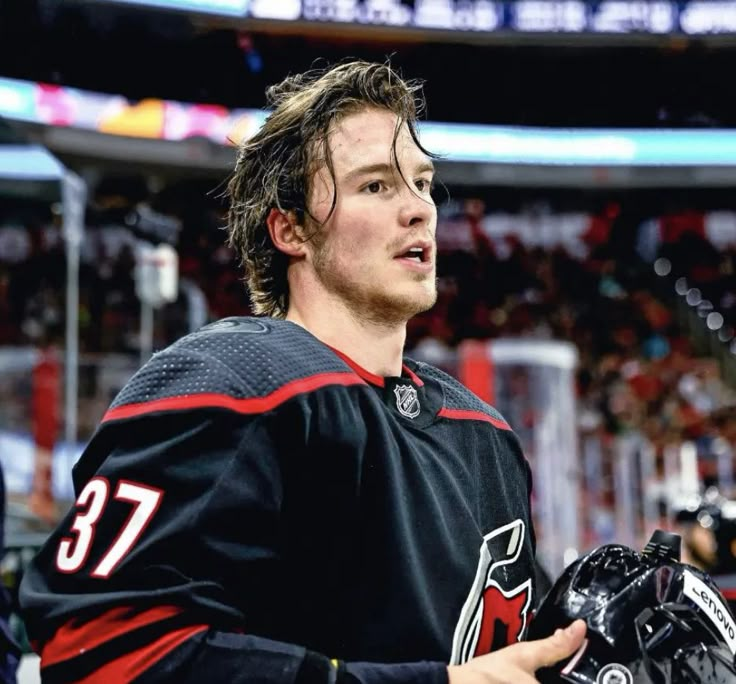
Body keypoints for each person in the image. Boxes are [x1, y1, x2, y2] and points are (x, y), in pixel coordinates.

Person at [19, 61, 585, 683]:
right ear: (290, 229)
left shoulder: (484, 435)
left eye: (421, 183)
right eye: (376, 187)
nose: (420, 210)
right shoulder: (232, 378)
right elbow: (105, 649)